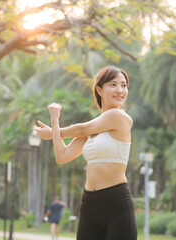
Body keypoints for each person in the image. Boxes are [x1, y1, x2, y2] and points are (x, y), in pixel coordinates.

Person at [35, 66, 137, 240]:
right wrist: (55, 119)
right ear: (99, 89)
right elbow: (62, 156)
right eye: (113, 84)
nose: (120, 90)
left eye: (124, 85)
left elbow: (82, 128)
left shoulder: (120, 118)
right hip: (89, 203)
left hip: (116, 202)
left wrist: (53, 132)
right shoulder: (93, 128)